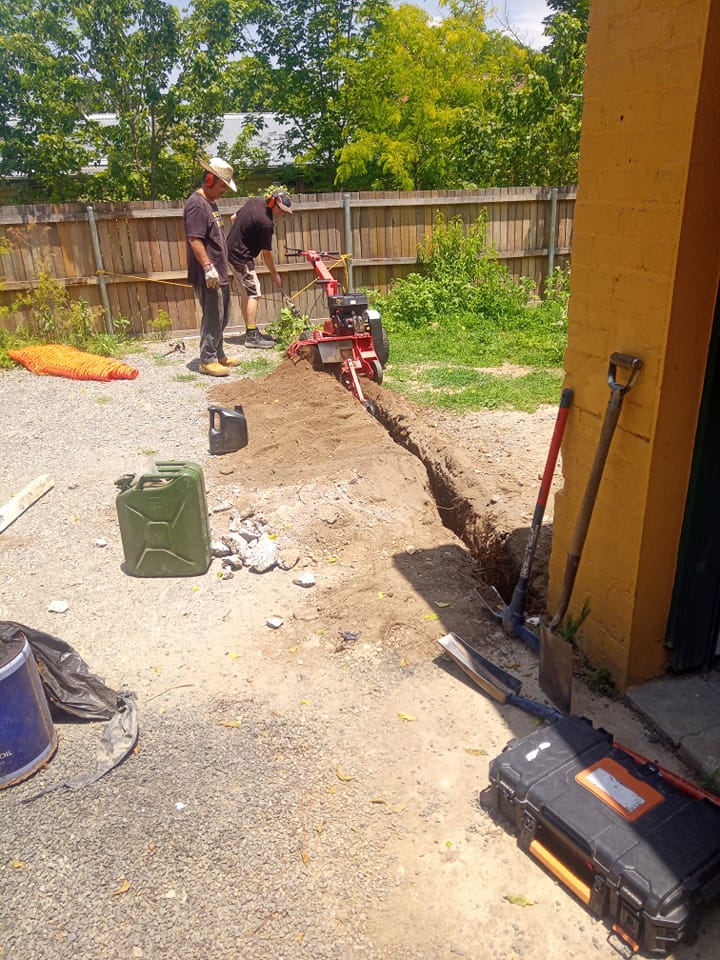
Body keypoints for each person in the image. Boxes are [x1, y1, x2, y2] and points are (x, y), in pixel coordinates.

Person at [183, 157, 239, 377]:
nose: (224, 190)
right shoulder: (196, 204)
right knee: (212, 315)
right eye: (222, 185)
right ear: (209, 179)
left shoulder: (210, 203)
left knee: (223, 315)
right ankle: (207, 360)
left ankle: (218, 353)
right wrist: (208, 267)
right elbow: (194, 239)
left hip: (219, 270)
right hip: (208, 273)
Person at [226, 189, 293, 349]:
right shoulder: (266, 223)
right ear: (274, 203)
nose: (282, 214)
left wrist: (241, 237)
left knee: (246, 292)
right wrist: (275, 275)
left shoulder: (254, 201)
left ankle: (251, 330)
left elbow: (233, 217)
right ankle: (251, 337)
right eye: (281, 211)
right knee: (254, 292)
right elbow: (266, 255)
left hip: (230, 251)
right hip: (240, 257)